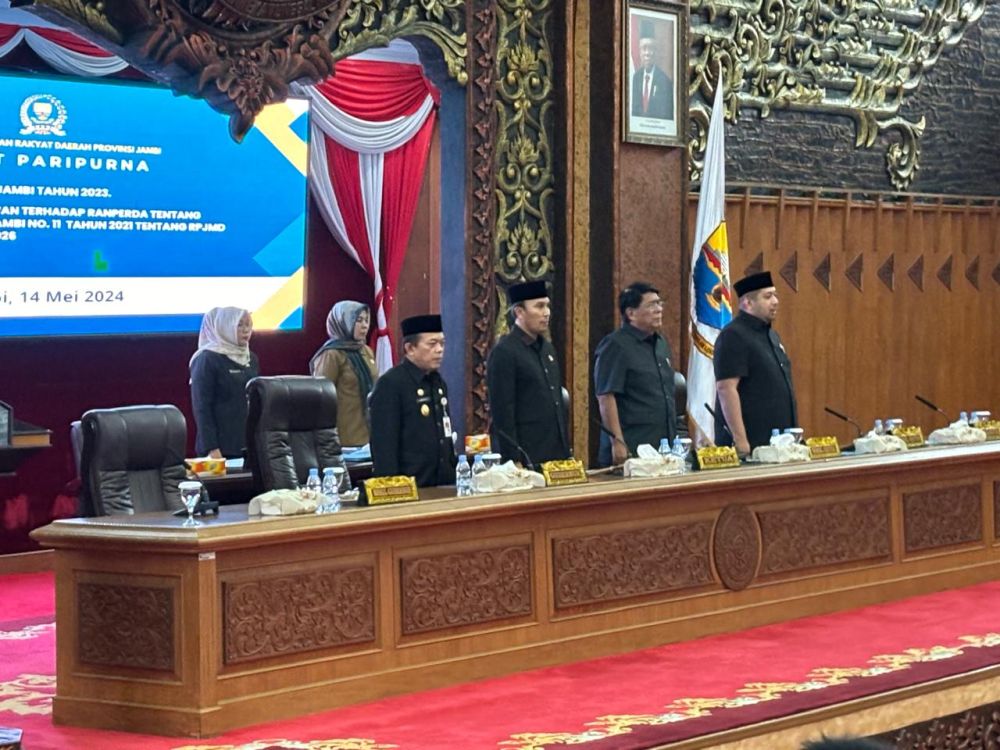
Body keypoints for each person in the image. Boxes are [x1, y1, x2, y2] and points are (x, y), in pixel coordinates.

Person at [486, 280, 570, 467]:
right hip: (526, 456)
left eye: (547, 306)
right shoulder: (505, 352)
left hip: (555, 454)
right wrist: (513, 458)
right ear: (519, 312)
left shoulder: (547, 349)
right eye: (539, 306)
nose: (546, 312)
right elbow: (502, 412)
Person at [713, 271, 797, 456]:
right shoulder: (733, 335)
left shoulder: (771, 335)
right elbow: (726, 389)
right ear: (747, 303)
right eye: (768, 297)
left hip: (779, 443)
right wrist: (740, 439)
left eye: (775, 295)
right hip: (752, 444)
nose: (775, 301)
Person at [594, 282, 677, 466]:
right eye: (651, 305)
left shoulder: (660, 343)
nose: (659, 309)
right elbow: (606, 396)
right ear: (631, 313)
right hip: (632, 444)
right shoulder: (615, 345)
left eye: (659, 303)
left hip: (664, 445)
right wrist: (618, 441)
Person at [369, 314, 456, 487]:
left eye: (442, 343)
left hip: (443, 483)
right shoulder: (391, 384)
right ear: (410, 348)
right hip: (409, 486)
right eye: (432, 344)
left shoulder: (437, 382)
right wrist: (391, 487)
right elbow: (384, 446)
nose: (439, 350)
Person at [189, 306, 259, 459]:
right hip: (219, 449)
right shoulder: (206, 359)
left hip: (248, 446)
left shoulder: (251, 358)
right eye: (240, 325)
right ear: (225, 327)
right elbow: (201, 407)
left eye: (249, 325)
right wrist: (211, 447)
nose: (246, 330)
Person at [309, 301, 378, 446]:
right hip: (344, 439)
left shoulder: (366, 351)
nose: (365, 326)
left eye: (366, 320)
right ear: (343, 322)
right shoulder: (331, 354)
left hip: (370, 436)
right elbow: (321, 399)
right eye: (358, 320)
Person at [631, 21, 674, 120]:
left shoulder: (665, 82)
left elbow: (667, 116)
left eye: (650, 48)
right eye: (644, 48)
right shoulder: (635, 78)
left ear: (655, 52)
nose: (647, 53)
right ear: (640, 52)